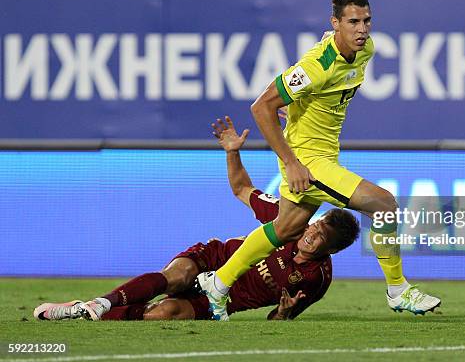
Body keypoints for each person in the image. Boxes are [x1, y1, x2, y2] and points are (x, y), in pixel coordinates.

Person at [198, 0, 441, 321]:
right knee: (384, 205)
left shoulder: (364, 49)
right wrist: (292, 162)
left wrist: (300, 108)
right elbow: (262, 106)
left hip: (324, 152)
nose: (362, 29)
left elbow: (323, 84)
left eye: (367, 20)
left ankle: (220, 281)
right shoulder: (316, 66)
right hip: (308, 160)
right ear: (336, 23)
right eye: (353, 22)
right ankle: (398, 290)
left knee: (284, 229)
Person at [33, 116, 359, 321]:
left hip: (226, 301)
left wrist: (284, 315)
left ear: (331, 250)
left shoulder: (316, 279)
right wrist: (233, 151)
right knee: (176, 277)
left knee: (164, 313)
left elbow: (278, 318)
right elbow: (242, 188)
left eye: (319, 236)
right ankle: (101, 305)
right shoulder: (288, 219)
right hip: (212, 260)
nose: (310, 233)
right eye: (316, 224)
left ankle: (79, 310)